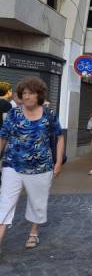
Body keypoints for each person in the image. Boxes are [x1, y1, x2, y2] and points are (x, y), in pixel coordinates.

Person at [0, 77, 64, 252]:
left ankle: (33, 233)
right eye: (24, 93)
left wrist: (58, 162)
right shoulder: (13, 114)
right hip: (12, 164)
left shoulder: (49, 115)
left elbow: (59, 137)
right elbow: (3, 137)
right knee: (5, 201)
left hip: (41, 167)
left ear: (39, 95)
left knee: (37, 201)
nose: (26, 96)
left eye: (31, 93)